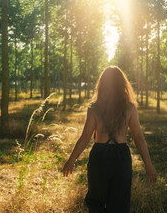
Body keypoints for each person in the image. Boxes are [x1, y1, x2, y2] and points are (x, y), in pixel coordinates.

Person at [62, 66, 157, 213]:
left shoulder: (94, 108)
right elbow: (138, 137)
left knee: (96, 203)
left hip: (99, 156)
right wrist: (149, 165)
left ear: (102, 84)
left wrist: (71, 160)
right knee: (120, 204)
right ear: (123, 84)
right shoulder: (130, 108)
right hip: (122, 157)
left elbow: (85, 137)